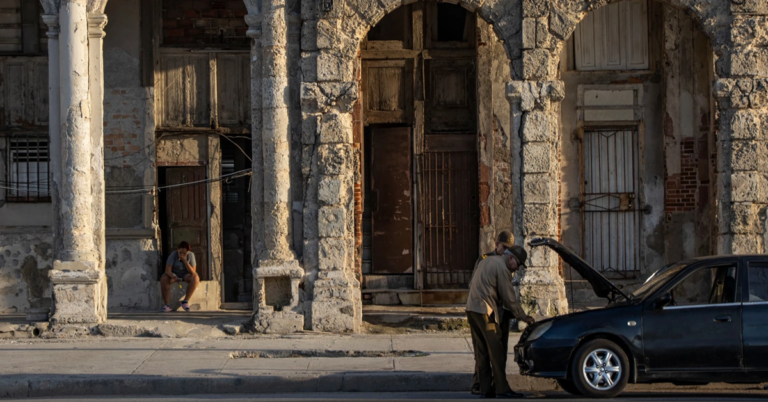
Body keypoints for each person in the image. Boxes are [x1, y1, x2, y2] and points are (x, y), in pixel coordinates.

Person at [466, 245, 535, 399]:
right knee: (496, 350)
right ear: (511, 258)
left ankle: (485, 388)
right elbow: (509, 299)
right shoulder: (502, 268)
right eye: (517, 265)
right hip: (485, 311)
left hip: (472, 309)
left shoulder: (487, 261)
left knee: (481, 351)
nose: (516, 270)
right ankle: (502, 388)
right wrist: (524, 317)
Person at [470, 231, 516, 395]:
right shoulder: (486, 259)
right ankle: (479, 384)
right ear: (497, 245)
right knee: (483, 351)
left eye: (509, 248)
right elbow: (476, 284)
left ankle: (496, 384)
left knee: (499, 351)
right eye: (504, 247)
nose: (506, 251)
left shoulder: (508, 261)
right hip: (488, 311)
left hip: (502, 312)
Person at [160, 241, 200, 312]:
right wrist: (174, 276)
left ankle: (185, 301)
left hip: (185, 275)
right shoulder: (173, 255)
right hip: (173, 274)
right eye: (180, 252)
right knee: (164, 278)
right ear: (177, 249)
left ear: (188, 252)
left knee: (196, 278)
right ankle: (167, 305)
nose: (181, 254)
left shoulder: (191, 255)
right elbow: (167, 270)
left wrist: (185, 261)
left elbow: (193, 272)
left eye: (184, 253)